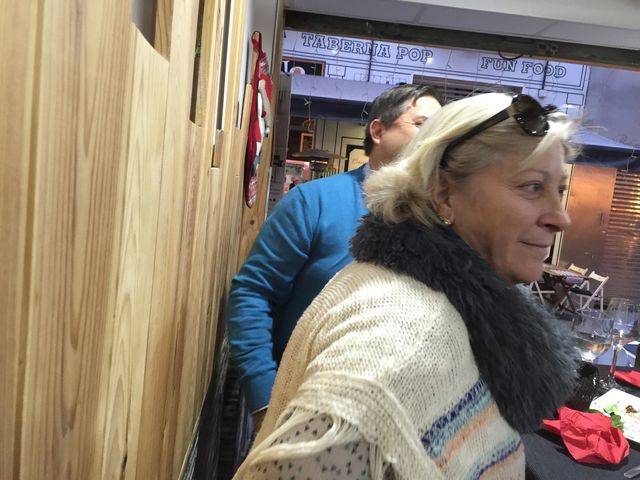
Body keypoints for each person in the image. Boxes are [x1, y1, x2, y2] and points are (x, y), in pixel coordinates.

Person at [232, 92, 579, 479]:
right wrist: (262, 396)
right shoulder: (401, 345)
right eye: (532, 186)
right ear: (443, 194)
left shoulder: (453, 307)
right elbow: (253, 292)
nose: (560, 217)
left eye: (559, 190)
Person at [227, 84, 443, 429]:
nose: (433, 138)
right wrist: (265, 398)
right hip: (300, 407)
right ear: (378, 130)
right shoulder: (313, 202)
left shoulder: (442, 222)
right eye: (421, 124)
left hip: (397, 421)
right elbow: (253, 293)